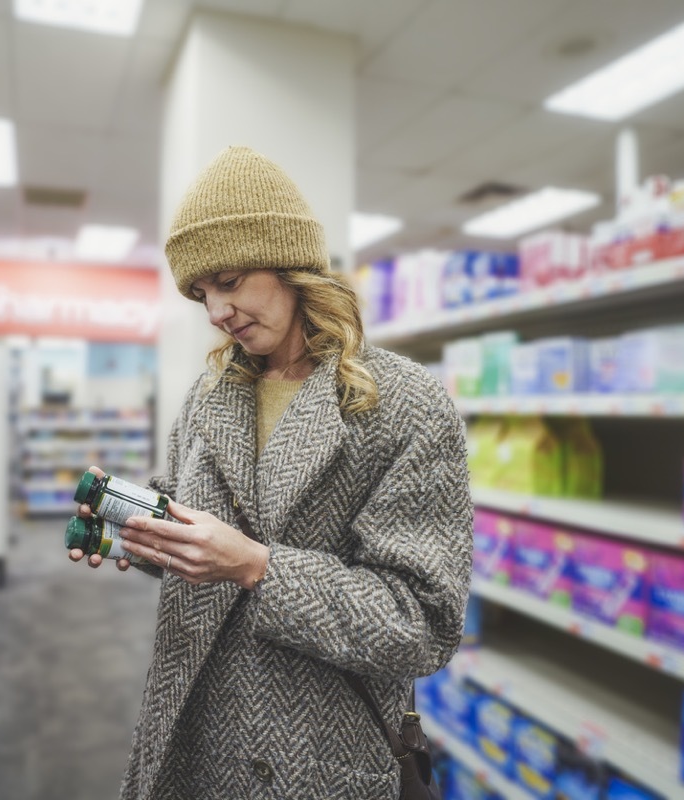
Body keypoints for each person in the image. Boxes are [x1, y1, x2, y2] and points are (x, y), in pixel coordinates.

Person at [69, 146, 473, 799]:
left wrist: (259, 567)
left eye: (228, 281)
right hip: (191, 734)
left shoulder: (404, 405)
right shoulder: (210, 394)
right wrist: (150, 537)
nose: (216, 312)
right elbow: (202, 522)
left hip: (313, 761)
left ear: (290, 264)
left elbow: (423, 624)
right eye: (202, 293)